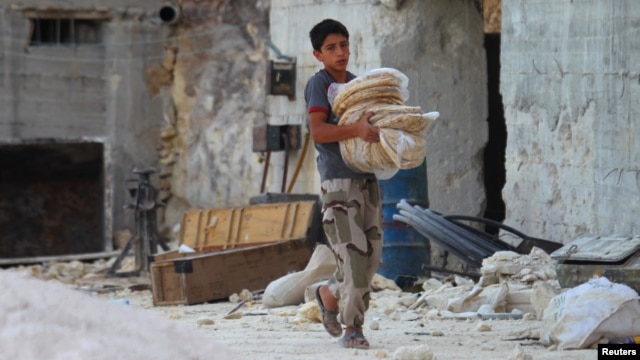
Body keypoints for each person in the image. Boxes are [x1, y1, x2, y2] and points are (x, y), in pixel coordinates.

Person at [303, 18, 383, 350]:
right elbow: (319, 132)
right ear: (318, 54)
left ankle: (329, 293)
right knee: (353, 257)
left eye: (344, 45)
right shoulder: (318, 85)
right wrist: (357, 130)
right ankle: (353, 328)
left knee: (371, 259)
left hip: (368, 181)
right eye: (332, 48)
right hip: (338, 184)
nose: (341, 53)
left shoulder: (356, 84)